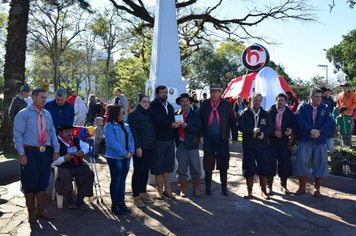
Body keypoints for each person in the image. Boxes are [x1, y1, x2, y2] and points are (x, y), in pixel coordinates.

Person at [13, 88, 60, 224]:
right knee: (29, 182)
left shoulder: (47, 114)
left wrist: (56, 149)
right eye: (42, 97)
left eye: (45, 98)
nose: (44, 100)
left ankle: (41, 210)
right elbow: (17, 135)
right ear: (33, 97)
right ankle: (31, 212)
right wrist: (21, 153)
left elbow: (52, 132)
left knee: (42, 181)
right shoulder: (24, 114)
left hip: (44, 152)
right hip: (30, 152)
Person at [295, 88, 335, 197]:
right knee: (302, 162)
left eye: (320, 97)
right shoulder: (303, 107)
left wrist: (318, 132)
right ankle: (302, 186)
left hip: (320, 140)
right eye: (316, 97)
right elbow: (299, 120)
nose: (319, 99)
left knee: (320, 164)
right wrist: (310, 130)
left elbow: (329, 122)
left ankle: (317, 188)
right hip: (305, 139)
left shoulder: (325, 108)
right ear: (310, 97)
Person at [199, 84, 238, 196]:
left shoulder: (226, 104)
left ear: (220, 93)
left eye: (215, 92)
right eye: (211, 92)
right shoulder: (205, 104)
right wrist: (201, 135)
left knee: (223, 163)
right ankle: (208, 187)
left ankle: (224, 187)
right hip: (208, 138)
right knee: (208, 163)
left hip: (222, 138)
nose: (213, 94)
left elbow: (232, 120)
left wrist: (234, 136)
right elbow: (200, 121)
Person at [238, 93, 273, 200]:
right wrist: (251, 130)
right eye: (255, 100)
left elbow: (271, 127)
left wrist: (264, 134)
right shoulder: (244, 113)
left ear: (261, 101)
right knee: (249, 167)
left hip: (262, 146)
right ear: (251, 100)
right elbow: (240, 126)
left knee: (263, 168)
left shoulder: (265, 114)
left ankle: (263, 190)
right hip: (249, 145)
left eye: (259, 100)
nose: (257, 102)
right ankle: (249, 190)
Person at [52, 124, 94, 210]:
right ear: (60, 133)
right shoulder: (55, 142)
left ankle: (80, 198)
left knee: (88, 173)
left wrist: (82, 151)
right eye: (66, 132)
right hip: (62, 166)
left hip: (77, 166)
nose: (69, 133)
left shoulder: (75, 140)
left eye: (70, 131)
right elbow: (53, 161)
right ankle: (69, 198)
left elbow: (87, 147)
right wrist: (64, 158)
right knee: (65, 177)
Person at [149, 85, 180, 199]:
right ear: (157, 94)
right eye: (162, 92)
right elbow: (157, 119)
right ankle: (159, 190)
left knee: (168, 165)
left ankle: (168, 190)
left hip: (169, 140)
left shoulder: (170, 106)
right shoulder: (153, 105)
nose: (165, 94)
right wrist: (170, 124)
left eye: (166, 92)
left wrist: (178, 123)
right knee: (158, 164)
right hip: (159, 140)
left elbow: (173, 119)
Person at [103, 105, 135, 215]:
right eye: (122, 112)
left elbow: (131, 140)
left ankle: (122, 202)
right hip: (115, 157)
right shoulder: (109, 126)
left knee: (122, 180)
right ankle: (115, 204)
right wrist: (124, 153)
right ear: (116, 114)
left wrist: (131, 151)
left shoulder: (126, 126)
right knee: (116, 180)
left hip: (126, 157)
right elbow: (111, 143)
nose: (124, 114)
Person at [127, 95, 156, 207]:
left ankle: (143, 193)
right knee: (138, 172)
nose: (146, 104)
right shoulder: (134, 114)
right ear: (139, 102)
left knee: (145, 171)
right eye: (144, 102)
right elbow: (133, 132)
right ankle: (136, 196)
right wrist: (137, 147)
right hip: (141, 147)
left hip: (150, 147)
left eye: (148, 102)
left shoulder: (148, 113)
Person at [267, 93, 297, 195]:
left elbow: (295, 126)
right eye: (279, 100)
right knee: (270, 163)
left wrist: (291, 130)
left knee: (284, 163)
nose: (280, 102)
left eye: (282, 100)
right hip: (271, 141)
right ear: (276, 101)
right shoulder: (269, 113)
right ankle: (269, 185)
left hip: (284, 141)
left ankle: (283, 185)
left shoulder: (290, 114)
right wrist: (273, 132)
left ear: (286, 102)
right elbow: (265, 126)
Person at [175, 93, 202, 197]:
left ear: (190, 102)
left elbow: (199, 129)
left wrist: (188, 126)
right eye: (182, 101)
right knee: (181, 168)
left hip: (192, 144)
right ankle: (183, 188)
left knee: (195, 167)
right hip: (180, 144)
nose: (184, 103)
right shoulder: (176, 114)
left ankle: (196, 188)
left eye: (187, 101)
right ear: (180, 103)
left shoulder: (195, 114)